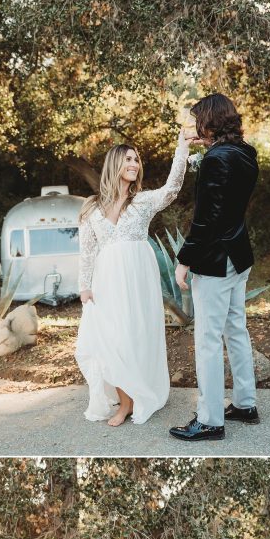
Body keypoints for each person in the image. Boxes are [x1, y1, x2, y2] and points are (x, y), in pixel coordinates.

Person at [75, 127, 193, 426]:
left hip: (138, 278)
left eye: (136, 160)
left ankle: (134, 397)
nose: (134, 164)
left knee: (135, 336)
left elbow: (172, 189)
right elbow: (87, 251)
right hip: (107, 280)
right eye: (128, 159)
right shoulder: (92, 207)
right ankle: (124, 402)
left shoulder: (143, 201)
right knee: (111, 339)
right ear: (114, 164)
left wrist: (181, 150)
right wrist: (84, 287)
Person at [170, 93, 260, 443]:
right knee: (235, 329)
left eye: (199, 120)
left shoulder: (216, 159)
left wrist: (184, 259)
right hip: (239, 255)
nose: (195, 126)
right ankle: (245, 404)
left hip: (216, 261)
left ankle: (209, 420)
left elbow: (206, 220)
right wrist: (208, 143)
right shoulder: (245, 153)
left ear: (209, 121)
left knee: (207, 339)